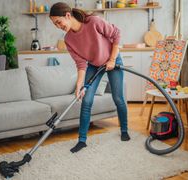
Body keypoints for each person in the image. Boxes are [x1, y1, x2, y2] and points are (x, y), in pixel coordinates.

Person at [49, 2, 130, 153]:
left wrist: (112, 60)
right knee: (86, 100)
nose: (58, 26)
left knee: (118, 98)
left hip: (113, 60)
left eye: (58, 22)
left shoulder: (93, 22)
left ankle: (124, 130)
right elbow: (80, 64)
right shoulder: (68, 40)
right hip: (94, 65)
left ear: (67, 15)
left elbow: (116, 34)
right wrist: (79, 86)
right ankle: (82, 140)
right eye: (55, 24)